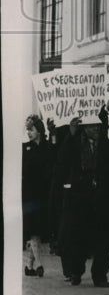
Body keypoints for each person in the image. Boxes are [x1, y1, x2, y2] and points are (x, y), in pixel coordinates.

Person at [51, 114, 109, 287]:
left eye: (97, 126)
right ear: (84, 128)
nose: (95, 130)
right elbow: (61, 159)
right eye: (91, 127)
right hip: (79, 198)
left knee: (102, 238)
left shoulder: (106, 144)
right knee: (78, 237)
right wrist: (71, 133)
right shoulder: (75, 143)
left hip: (101, 198)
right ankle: (76, 272)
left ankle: (100, 276)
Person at [22, 115, 53, 277]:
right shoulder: (25, 148)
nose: (28, 133)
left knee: (39, 229)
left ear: (39, 130)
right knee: (34, 229)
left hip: (43, 193)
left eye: (31, 129)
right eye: (27, 129)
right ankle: (39, 264)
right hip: (29, 194)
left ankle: (29, 265)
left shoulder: (47, 146)